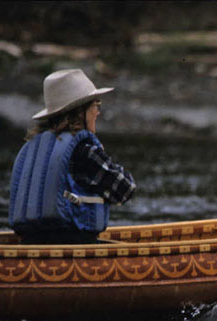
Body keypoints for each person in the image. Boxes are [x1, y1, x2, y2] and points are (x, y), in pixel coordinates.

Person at [9, 68, 136, 244]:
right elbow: (126, 189)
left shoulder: (32, 146)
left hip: (29, 242)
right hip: (73, 244)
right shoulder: (84, 151)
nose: (98, 111)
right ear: (79, 111)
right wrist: (102, 155)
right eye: (95, 104)